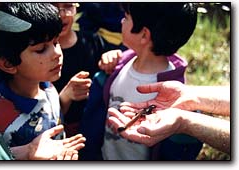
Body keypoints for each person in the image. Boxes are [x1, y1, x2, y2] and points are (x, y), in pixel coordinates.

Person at [80, 2, 202, 160]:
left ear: (144, 35)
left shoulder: (173, 96)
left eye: (126, 17)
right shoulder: (116, 69)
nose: (122, 21)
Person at [0, 3, 86, 160]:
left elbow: (49, 114)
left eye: (56, 42)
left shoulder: (46, 85)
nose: (57, 53)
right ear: (8, 64)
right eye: (41, 49)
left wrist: (65, 97)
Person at [51, 3, 121, 137]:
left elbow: (117, 58)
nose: (62, 14)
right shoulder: (34, 53)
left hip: (93, 130)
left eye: (68, 6)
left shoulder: (93, 42)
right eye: (53, 7)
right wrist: (65, 96)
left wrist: (113, 56)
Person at [107, 80, 230, 154]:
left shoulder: (148, 110)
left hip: (141, 113)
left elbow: (146, 112)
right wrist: (191, 95)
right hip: (141, 113)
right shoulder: (147, 111)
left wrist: (184, 122)